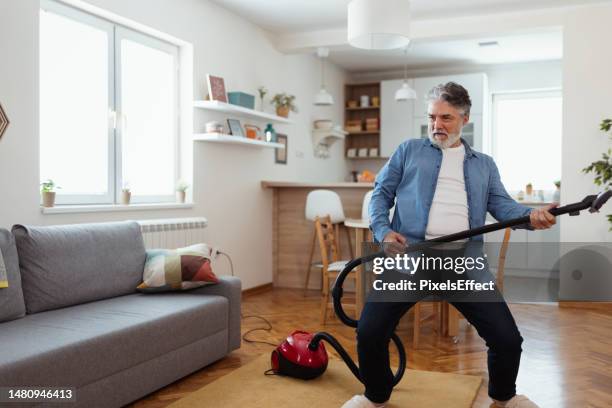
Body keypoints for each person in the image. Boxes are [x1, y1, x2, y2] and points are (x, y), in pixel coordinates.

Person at [341, 82, 557, 408]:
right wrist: (384, 231)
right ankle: (375, 397)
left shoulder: (484, 164)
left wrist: (532, 216)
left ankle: (504, 397)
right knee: (370, 332)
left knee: (507, 339)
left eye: (446, 118)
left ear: (464, 119)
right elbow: (380, 194)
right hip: (410, 258)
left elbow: (505, 209)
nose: (436, 126)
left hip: (463, 262)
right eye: (432, 117)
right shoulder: (408, 151)